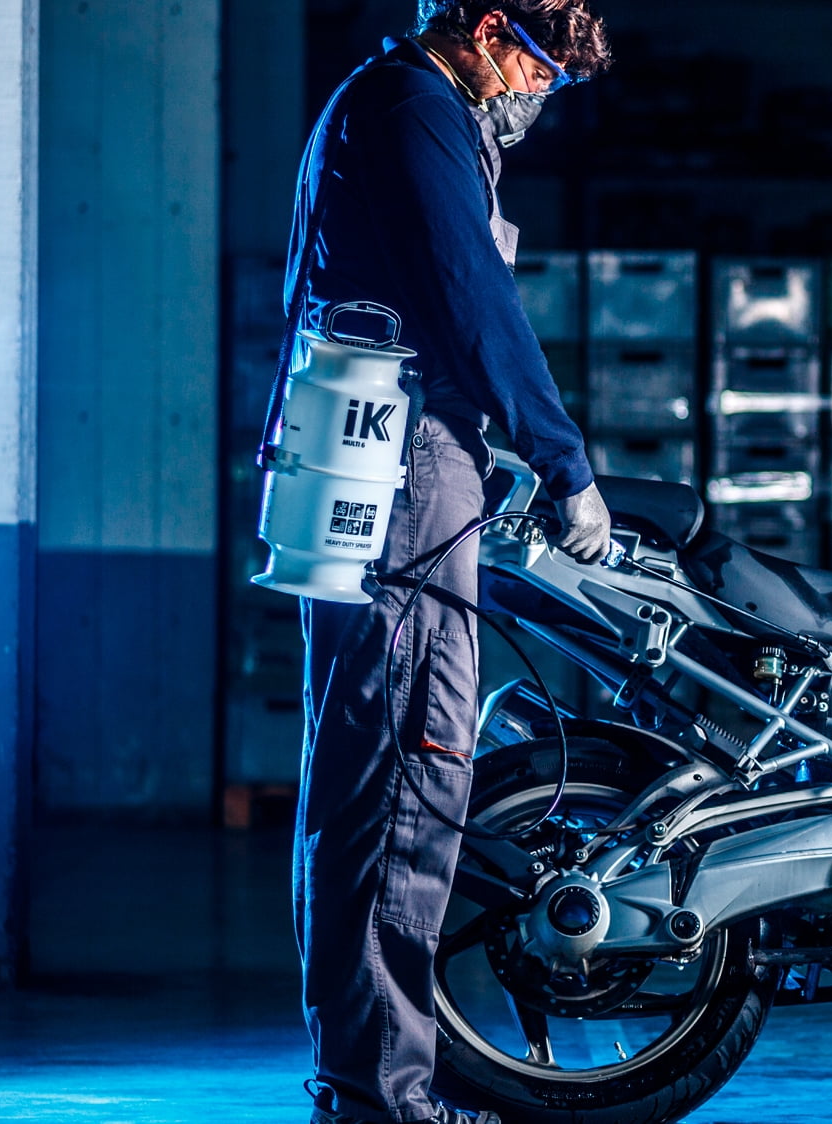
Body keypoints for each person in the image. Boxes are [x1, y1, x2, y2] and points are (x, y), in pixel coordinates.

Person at [279, 5, 613, 1122]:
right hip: (407, 470)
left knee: (361, 771)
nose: (538, 94)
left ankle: (363, 1080)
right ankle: (385, 1096)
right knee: (408, 774)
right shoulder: (417, 107)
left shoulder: (376, 100)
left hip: (367, 455)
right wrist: (562, 461)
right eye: (538, 67)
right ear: (487, 26)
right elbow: (475, 300)